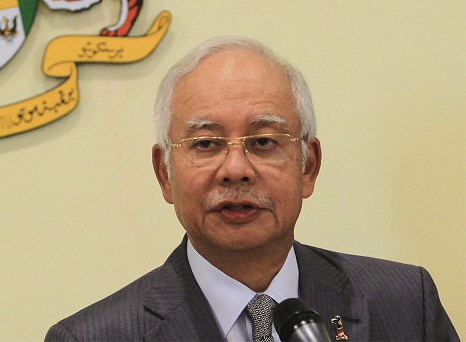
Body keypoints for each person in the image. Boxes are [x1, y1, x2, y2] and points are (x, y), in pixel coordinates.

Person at [45, 36, 459, 341]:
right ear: (164, 173)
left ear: (308, 166)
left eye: (263, 142)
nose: (236, 170)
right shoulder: (93, 337)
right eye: (206, 144)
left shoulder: (404, 302)